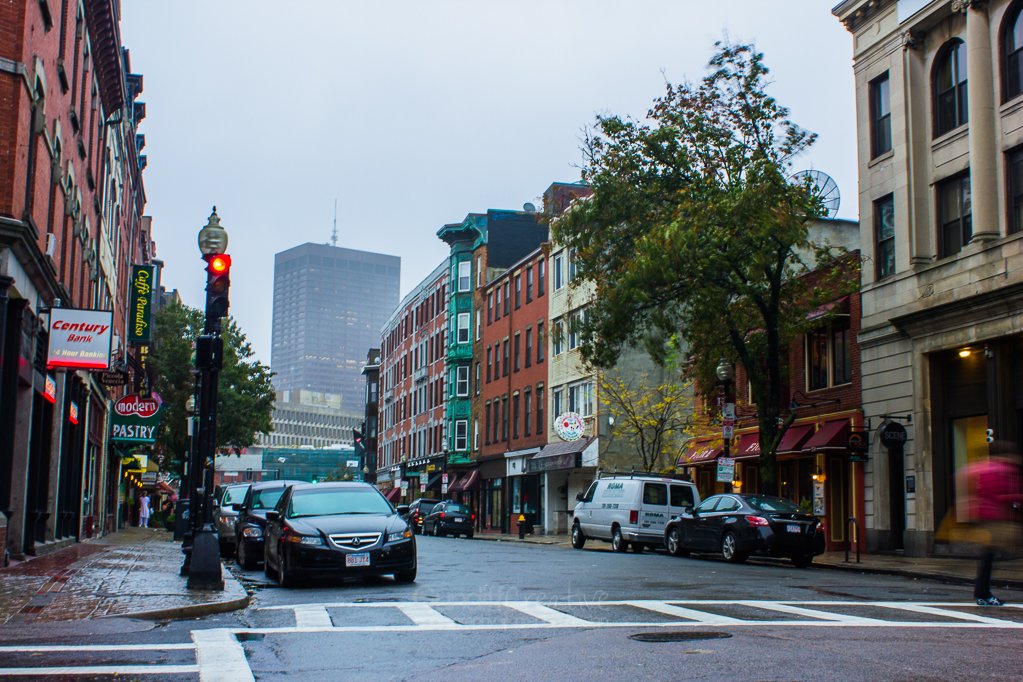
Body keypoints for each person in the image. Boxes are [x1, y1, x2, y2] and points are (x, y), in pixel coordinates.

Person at [963, 442, 1023, 606]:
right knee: (989, 557)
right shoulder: (1004, 469)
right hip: (997, 518)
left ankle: (982, 593)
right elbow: (1002, 495)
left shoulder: (984, 468)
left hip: (985, 516)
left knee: (988, 557)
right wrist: (1017, 500)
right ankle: (983, 593)